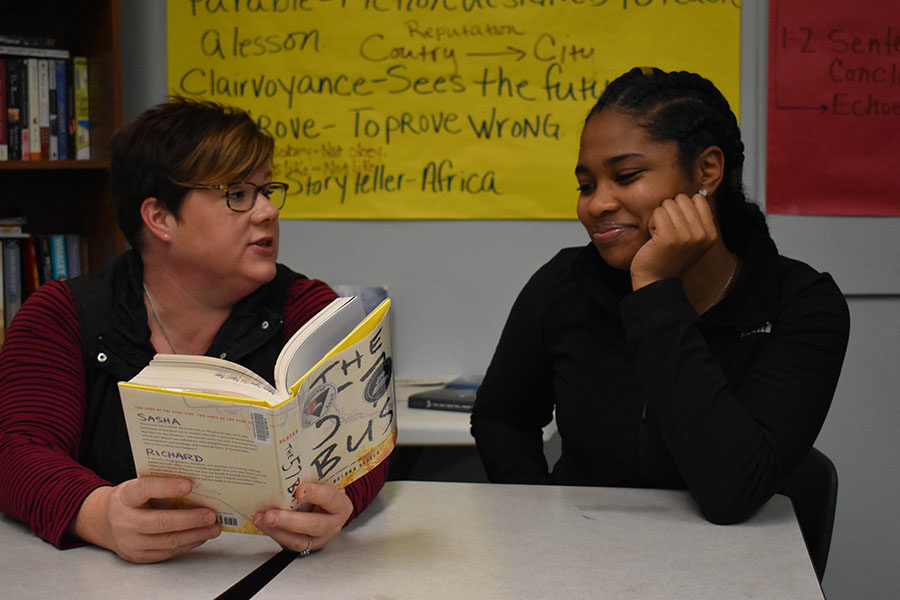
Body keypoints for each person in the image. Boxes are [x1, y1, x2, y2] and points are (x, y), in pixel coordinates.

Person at [0, 97, 388, 563]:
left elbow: (365, 442)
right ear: (160, 218)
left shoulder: (308, 310)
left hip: (278, 582)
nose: (267, 212)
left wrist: (338, 502)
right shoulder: (62, 315)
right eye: (238, 194)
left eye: (267, 190)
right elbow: (16, 451)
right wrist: (97, 512)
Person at [470, 67, 850, 524]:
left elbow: (732, 492)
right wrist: (541, 514)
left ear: (707, 170)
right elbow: (502, 418)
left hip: (734, 570)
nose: (596, 204)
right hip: (581, 561)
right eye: (586, 185)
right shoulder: (564, 284)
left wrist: (653, 289)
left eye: (626, 176)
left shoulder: (801, 305)